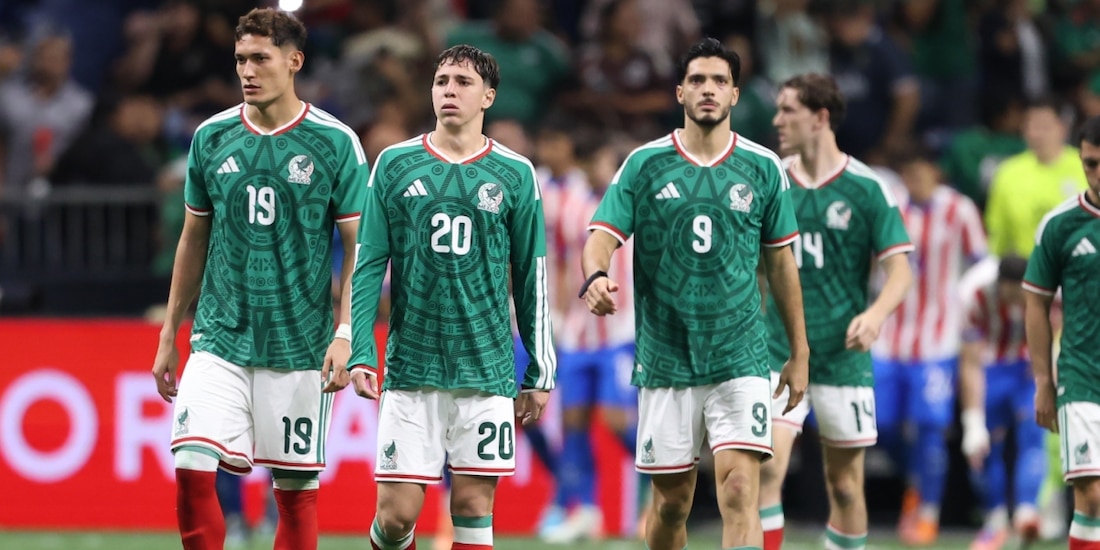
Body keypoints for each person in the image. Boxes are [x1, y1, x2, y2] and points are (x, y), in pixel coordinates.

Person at [580, 37, 809, 550]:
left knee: (740, 489)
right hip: (666, 359)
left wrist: (800, 351)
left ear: (734, 95)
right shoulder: (644, 164)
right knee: (672, 504)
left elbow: (781, 264)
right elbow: (600, 238)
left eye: (720, 81)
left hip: (740, 355)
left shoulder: (763, 167)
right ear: (680, 92)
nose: (709, 89)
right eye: (698, 80)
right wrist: (595, 277)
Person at [150, 8, 364, 550]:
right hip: (219, 337)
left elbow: (359, 249)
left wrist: (347, 333)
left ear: (294, 62)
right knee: (191, 463)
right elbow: (193, 239)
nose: (247, 70)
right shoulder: (211, 136)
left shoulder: (335, 142)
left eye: (260, 58)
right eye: (240, 59)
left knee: (294, 494)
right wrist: (170, 331)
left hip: (300, 346)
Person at [346, 44, 556, 550]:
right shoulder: (395, 164)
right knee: (395, 518)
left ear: (488, 96)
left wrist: (540, 368)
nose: (449, 91)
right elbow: (369, 263)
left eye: (463, 82)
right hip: (412, 368)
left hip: (486, 369)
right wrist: (359, 348)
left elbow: (531, 276)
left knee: (473, 509)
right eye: (442, 81)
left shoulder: (515, 173)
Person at [758, 73, 914, 550]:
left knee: (845, 486)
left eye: (788, 110)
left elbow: (900, 271)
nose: (777, 120)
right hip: (780, 352)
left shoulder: (868, 187)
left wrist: (876, 315)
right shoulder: (771, 181)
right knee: (767, 469)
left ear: (820, 118)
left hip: (843, 356)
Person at [872, 149, 987, 546]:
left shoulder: (960, 210)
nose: (913, 179)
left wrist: (968, 310)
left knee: (931, 429)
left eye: (919, 170)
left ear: (935, 171)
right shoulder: (890, 205)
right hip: (889, 338)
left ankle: (927, 512)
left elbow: (981, 263)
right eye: (908, 171)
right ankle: (916, 480)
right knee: (881, 425)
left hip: (938, 342)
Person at [542, 133, 638, 543]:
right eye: (598, 162)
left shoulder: (637, 206)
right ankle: (586, 509)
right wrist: (558, 316)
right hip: (578, 336)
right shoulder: (572, 207)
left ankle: (670, 478)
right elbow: (562, 262)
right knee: (573, 422)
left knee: (617, 420)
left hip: (621, 332)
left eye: (606, 163)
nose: (599, 170)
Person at [1023, 114, 1100, 550]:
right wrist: (1043, 382)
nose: (1097, 173)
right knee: (1091, 495)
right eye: (1090, 164)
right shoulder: (1060, 224)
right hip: (1082, 375)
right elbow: (1036, 303)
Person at [957, 255, 1047, 550]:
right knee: (983, 448)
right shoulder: (974, 295)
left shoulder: (1048, 292)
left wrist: (1047, 378)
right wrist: (972, 420)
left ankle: (1026, 511)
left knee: (1033, 436)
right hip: (991, 369)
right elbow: (970, 362)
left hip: (1027, 369)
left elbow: (1055, 336)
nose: (1014, 303)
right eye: (1009, 296)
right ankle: (993, 518)